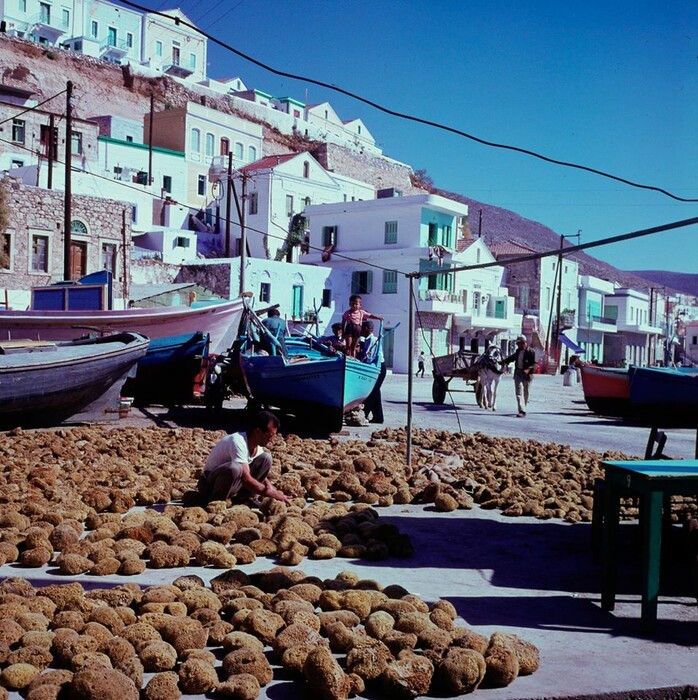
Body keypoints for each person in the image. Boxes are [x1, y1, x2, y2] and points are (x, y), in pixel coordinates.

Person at [197, 410, 291, 506]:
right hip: (209, 485)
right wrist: (272, 494)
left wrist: (272, 490)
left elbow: (261, 476)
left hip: (231, 484)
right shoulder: (238, 442)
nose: (271, 440)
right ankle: (216, 502)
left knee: (266, 458)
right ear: (258, 431)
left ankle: (245, 499)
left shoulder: (257, 447)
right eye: (270, 436)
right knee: (235, 468)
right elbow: (246, 479)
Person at [503, 335, 538, 417]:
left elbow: (535, 364)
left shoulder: (531, 352)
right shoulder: (518, 351)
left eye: (518, 343)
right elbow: (512, 358)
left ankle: (523, 408)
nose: (517, 345)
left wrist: (528, 369)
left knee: (526, 392)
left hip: (527, 375)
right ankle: (521, 410)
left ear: (523, 343)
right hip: (518, 373)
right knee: (519, 392)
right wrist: (504, 361)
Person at [359, 321, 386, 424]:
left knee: (372, 392)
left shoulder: (373, 340)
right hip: (374, 367)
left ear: (366, 329)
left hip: (378, 368)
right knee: (376, 392)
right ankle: (378, 417)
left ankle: (364, 413)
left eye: (362, 328)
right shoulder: (367, 340)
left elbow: (369, 356)